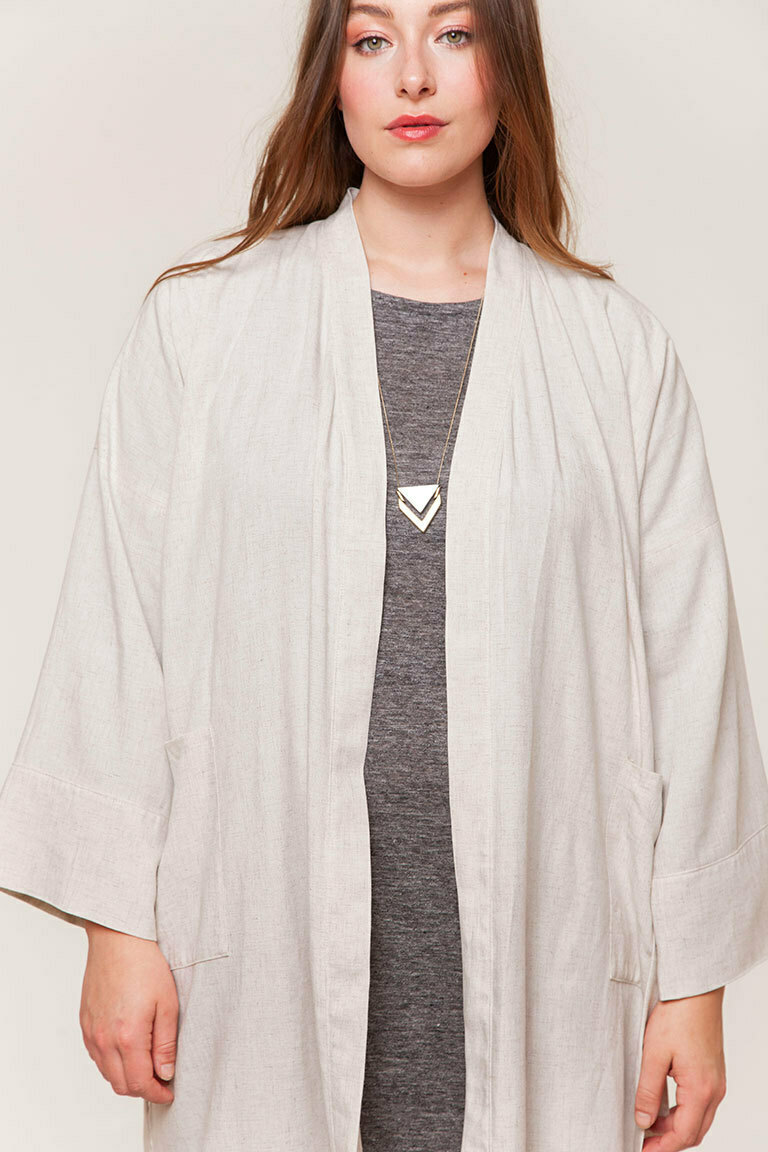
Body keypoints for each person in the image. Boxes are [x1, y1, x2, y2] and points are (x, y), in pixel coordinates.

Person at [1, 1, 766, 1150]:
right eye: (372, 39)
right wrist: (118, 930)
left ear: (507, 66)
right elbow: (120, 631)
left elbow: (691, 677)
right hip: (258, 948)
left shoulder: (617, 354)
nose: (413, 75)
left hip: (547, 961)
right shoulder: (203, 332)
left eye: (454, 35)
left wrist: (694, 988)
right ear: (334, 76)